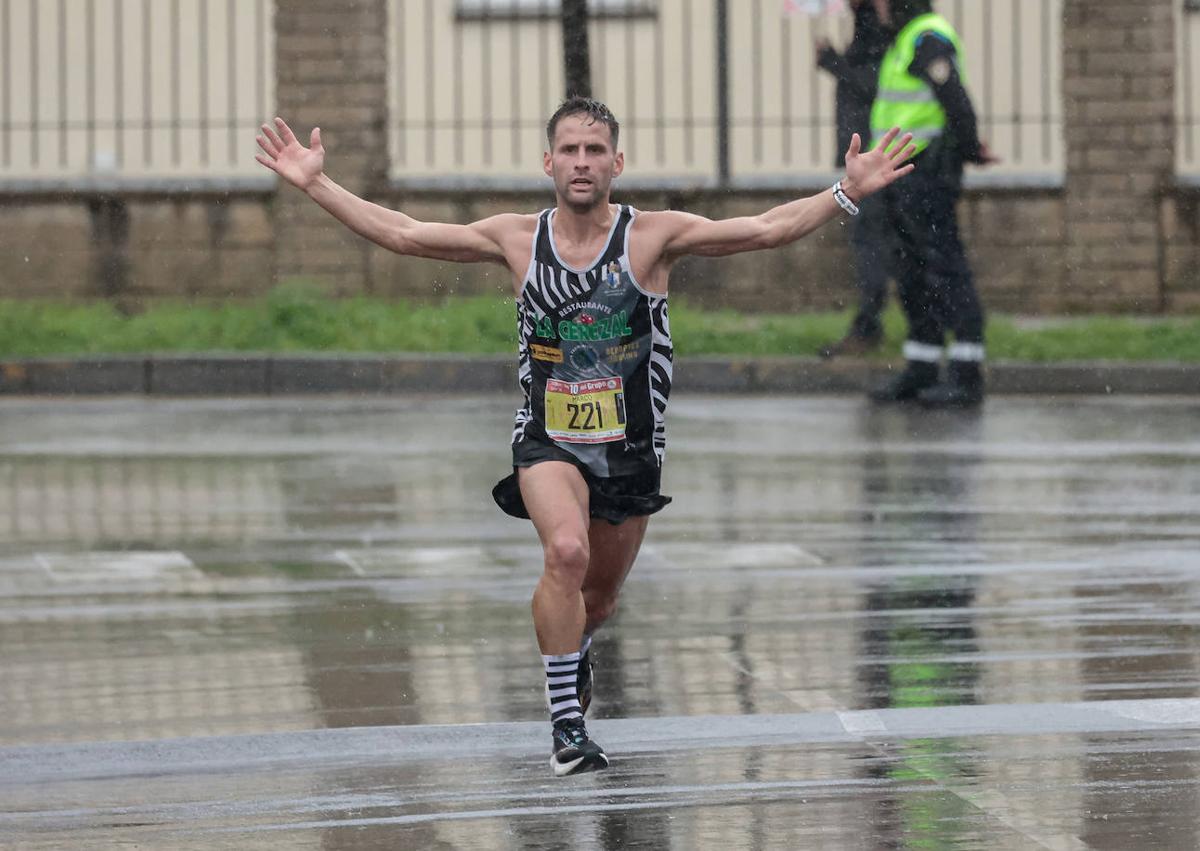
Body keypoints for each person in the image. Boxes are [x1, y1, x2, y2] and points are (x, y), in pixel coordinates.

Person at [255, 98, 916, 776]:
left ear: (616, 164)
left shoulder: (651, 238)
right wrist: (315, 184)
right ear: (548, 162)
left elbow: (765, 227)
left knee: (597, 597)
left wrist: (846, 192)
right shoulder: (516, 238)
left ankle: (575, 649)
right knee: (565, 552)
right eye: (569, 150)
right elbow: (404, 232)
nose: (581, 162)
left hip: (629, 450)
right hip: (548, 440)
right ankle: (567, 728)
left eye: (594, 151)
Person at [867, 0, 998, 406]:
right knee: (912, 271)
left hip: (927, 170)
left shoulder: (927, 36)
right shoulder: (904, 39)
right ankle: (921, 367)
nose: (877, 6)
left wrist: (972, 147)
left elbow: (953, 95)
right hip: (901, 173)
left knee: (944, 266)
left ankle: (966, 372)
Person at [815, 0, 896, 359]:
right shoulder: (868, 22)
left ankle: (869, 329)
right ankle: (874, 327)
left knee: (873, 245)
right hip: (867, 160)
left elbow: (875, 84)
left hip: (874, 162)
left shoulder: (884, 26)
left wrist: (833, 62)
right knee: (876, 244)